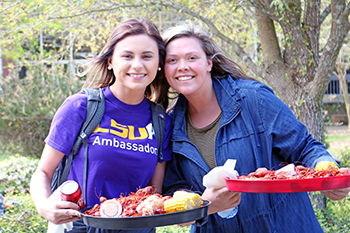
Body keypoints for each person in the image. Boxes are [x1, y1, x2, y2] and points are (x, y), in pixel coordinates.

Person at [161, 24, 350, 233]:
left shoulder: (254, 99)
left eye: (192, 58)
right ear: (164, 69)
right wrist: (204, 206)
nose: (182, 66)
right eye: (172, 60)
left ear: (208, 63)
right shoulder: (169, 126)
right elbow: (173, 191)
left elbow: (305, 147)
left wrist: (330, 174)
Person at [30, 18, 173, 233]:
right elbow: (43, 172)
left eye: (147, 56)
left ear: (159, 63)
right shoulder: (80, 107)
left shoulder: (162, 121)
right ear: (110, 61)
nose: (137, 64)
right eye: (127, 56)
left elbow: (155, 193)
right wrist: (44, 205)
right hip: (80, 227)